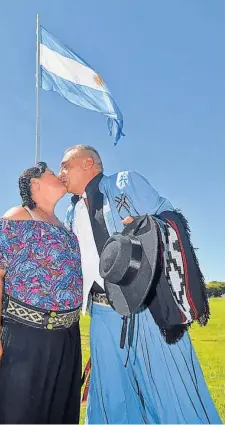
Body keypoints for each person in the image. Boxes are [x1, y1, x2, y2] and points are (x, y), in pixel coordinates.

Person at [58, 145, 222, 424]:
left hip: (145, 307)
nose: (60, 172)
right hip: (101, 315)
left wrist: (147, 226)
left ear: (88, 163)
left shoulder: (125, 183)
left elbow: (170, 217)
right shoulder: (72, 213)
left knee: (169, 385)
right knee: (111, 393)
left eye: (65, 165)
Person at [0, 162, 83, 424]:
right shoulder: (17, 217)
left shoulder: (66, 230)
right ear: (35, 184)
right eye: (53, 173)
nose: (60, 176)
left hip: (66, 339)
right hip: (24, 338)